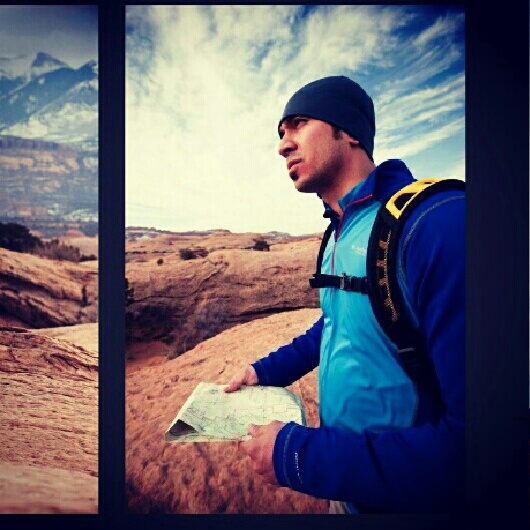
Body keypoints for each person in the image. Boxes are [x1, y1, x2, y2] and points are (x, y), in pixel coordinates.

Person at [225, 75, 465, 514]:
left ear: (349, 131)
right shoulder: (339, 232)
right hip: (348, 495)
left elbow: (475, 446)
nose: (283, 145)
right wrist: (263, 372)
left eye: (297, 123)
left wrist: (299, 457)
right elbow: (337, 322)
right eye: (280, 133)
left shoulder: (435, 226)